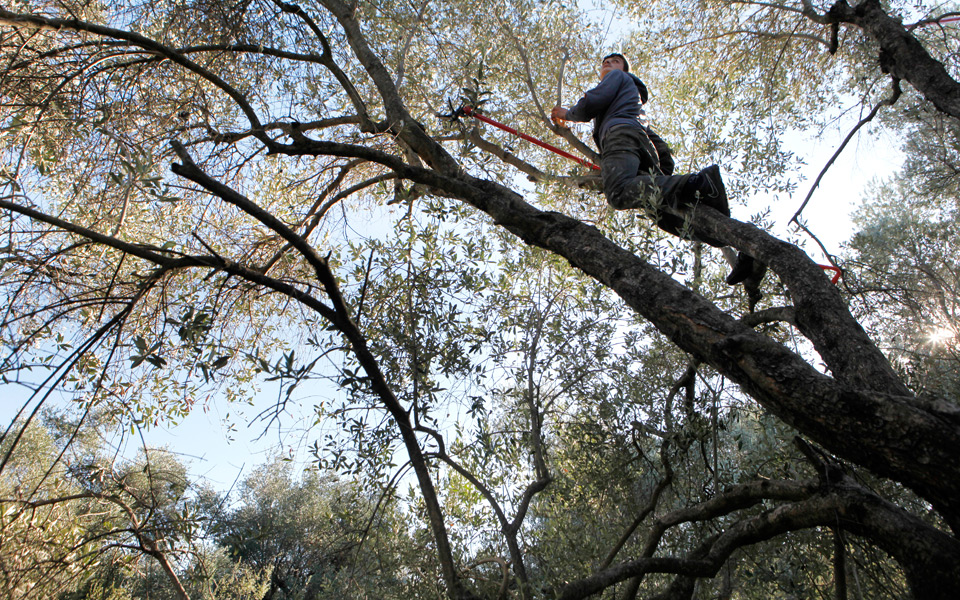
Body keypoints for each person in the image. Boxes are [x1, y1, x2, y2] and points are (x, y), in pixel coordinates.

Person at [551, 53, 758, 285]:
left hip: (620, 136)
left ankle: (701, 182)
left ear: (624, 70)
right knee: (666, 216)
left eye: (615, 61)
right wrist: (664, 175)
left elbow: (591, 103)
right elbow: (658, 145)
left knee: (618, 193)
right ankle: (742, 245)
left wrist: (567, 114)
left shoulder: (618, 78)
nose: (608, 63)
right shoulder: (633, 106)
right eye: (604, 62)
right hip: (639, 147)